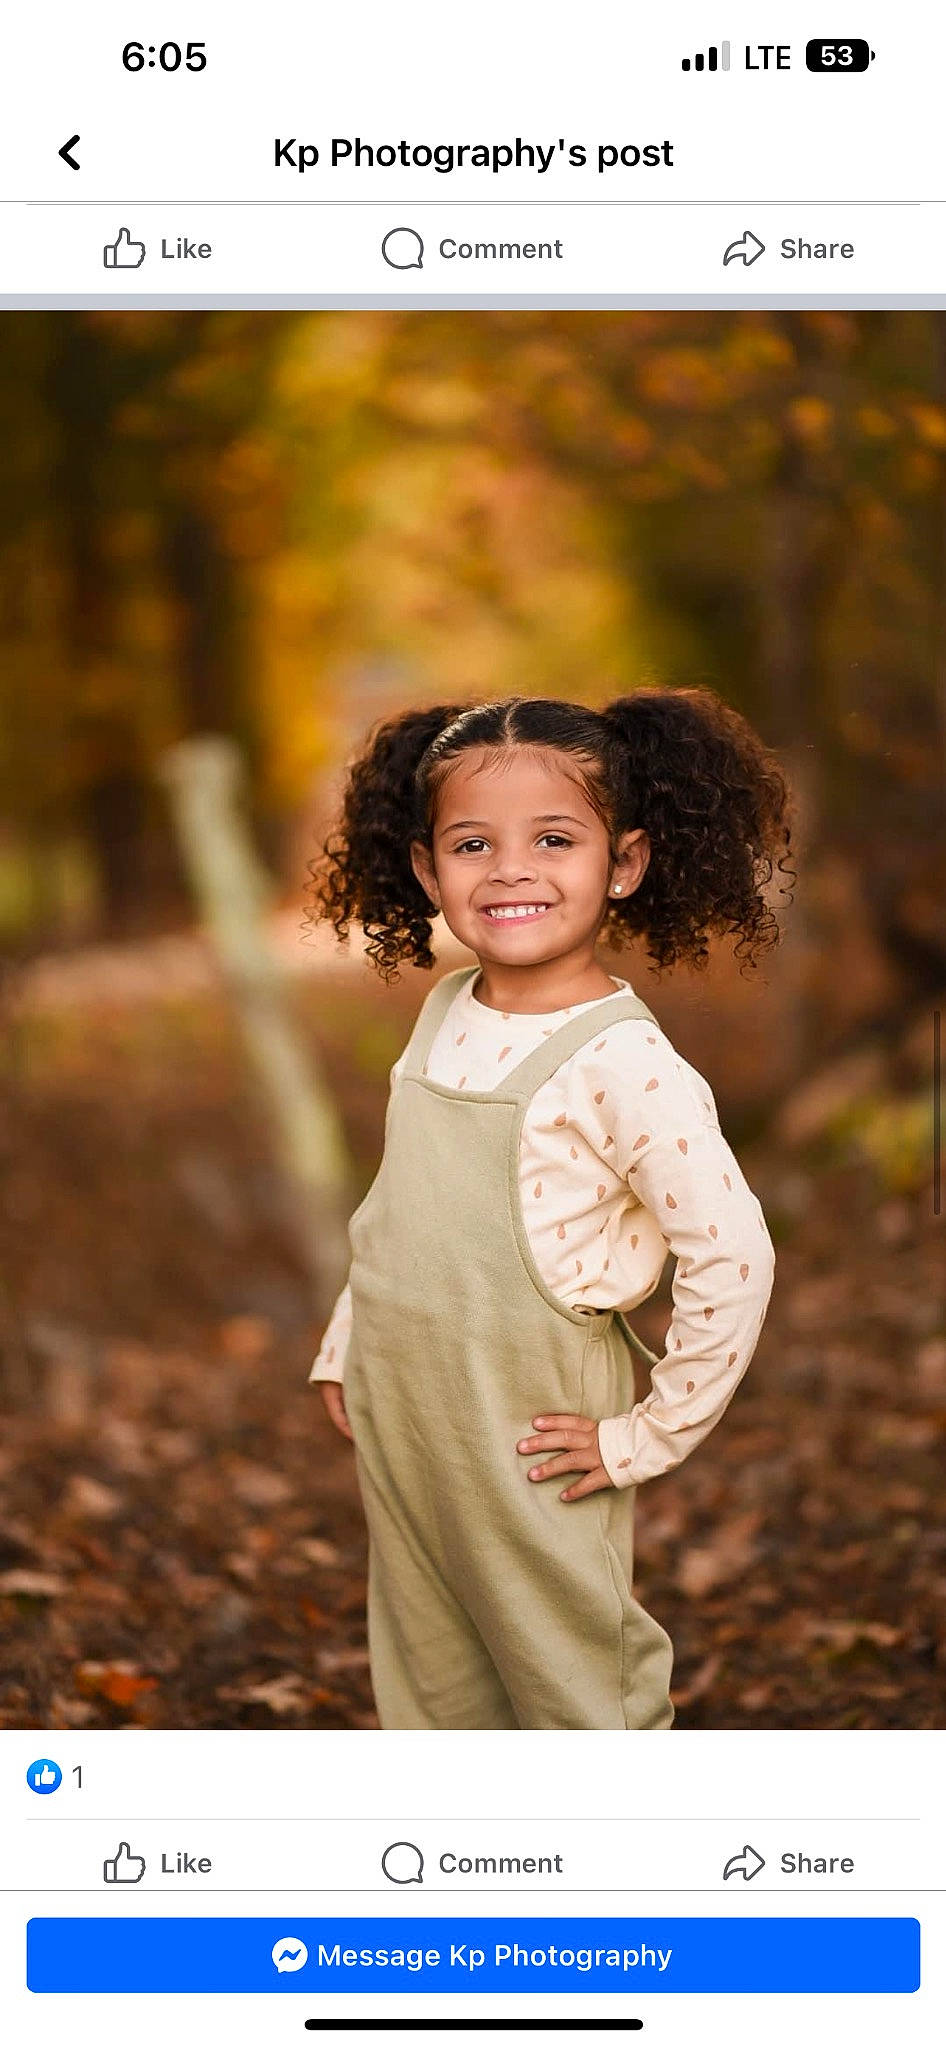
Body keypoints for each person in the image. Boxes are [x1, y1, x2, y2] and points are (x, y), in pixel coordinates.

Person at [308, 691, 789, 1730]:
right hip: (410, 1414)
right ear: (430, 871)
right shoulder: (445, 1010)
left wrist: (646, 1435)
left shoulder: (623, 1061)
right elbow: (403, 1201)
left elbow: (734, 1255)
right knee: (433, 1672)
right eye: (473, 842)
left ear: (623, 863)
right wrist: (352, 1335)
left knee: (572, 1676)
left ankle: (612, 1873)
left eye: (555, 838)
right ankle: (476, 1872)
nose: (512, 868)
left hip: (530, 1425)